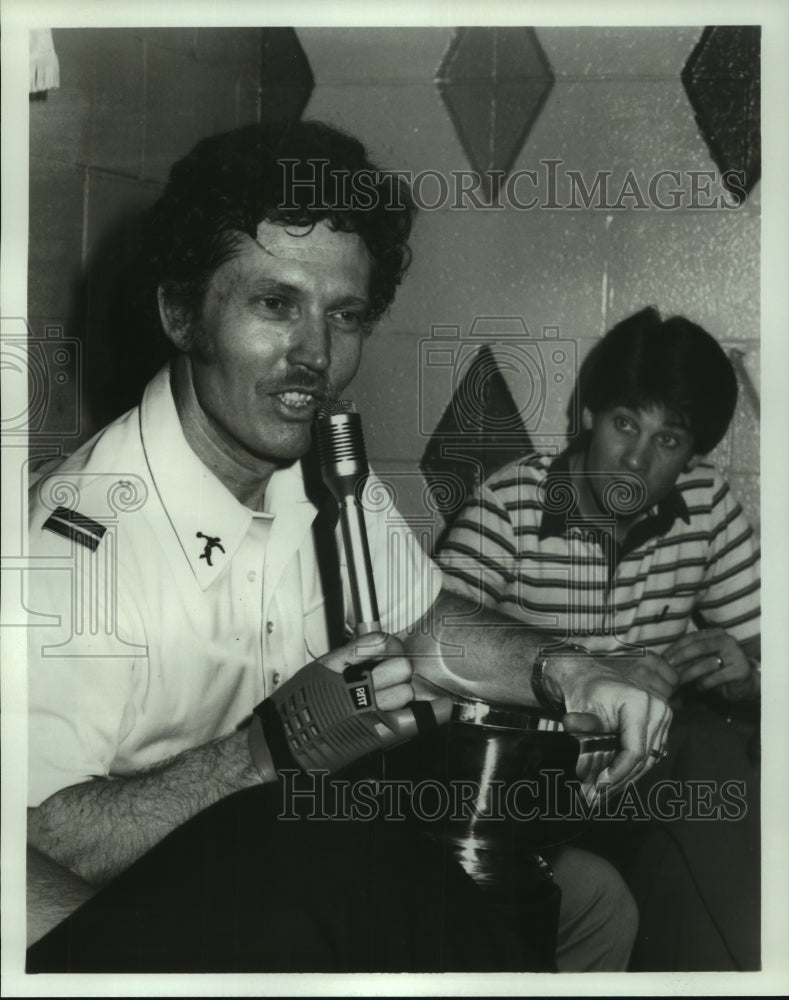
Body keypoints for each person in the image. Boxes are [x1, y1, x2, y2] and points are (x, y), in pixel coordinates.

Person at [25, 122, 669, 972]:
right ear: (180, 313)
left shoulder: (314, 476)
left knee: (587, 898)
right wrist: (264, 753)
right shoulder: (77, 543)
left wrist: (571, 668)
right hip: (126, 923)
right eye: (274, 304)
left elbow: (425, 623)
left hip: (284, 875)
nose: (316, 357)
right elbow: (32, 844)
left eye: (345, 315)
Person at [437, 307, 761, 970]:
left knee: (718, 749)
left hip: (645, 783)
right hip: (528, 783)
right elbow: (430, 658)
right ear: (590, 415)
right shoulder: (507, 508)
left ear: (693, 453)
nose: (636, 459)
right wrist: (597, 682)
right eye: (624, 425)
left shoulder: (705, 505)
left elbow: (768, 645)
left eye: (667, 440)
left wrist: (747, 676)